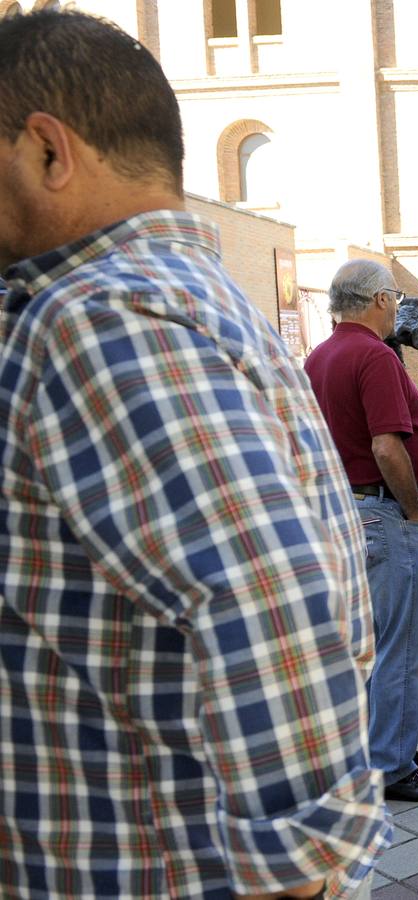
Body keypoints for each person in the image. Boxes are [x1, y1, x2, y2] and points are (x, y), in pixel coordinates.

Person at [0, 10, 386, 896]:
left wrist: (297, 870)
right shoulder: (177, 294)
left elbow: (264, 590)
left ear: (50, 152)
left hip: (149, 865)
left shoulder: (98, 313)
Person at [306, 261, 418, 803]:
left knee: (364, 645)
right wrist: (417, 511)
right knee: (402, 646)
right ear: (377, 299)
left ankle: (382, 744)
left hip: (345, 512)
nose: (397, 307)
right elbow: (387, 445)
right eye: (394, 297)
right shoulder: (372, 354)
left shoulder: (319, 356)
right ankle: (392, 766)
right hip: (384, 513)